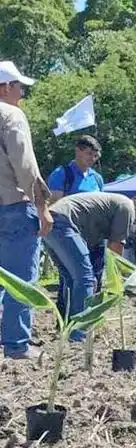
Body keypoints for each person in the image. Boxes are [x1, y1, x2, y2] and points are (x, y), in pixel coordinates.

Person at [0, 61, 52, 359]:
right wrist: (42, 206)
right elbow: (25, 167)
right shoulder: (12, 116)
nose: (22, 94)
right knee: (20, 281)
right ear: (6, 87)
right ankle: (17, 346)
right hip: (14, 207)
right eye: (19, 87)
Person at [44, 193, 136, 338]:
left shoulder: (111, 205)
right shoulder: (127, 207)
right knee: (86, 279)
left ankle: (67, 328)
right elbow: (115, 248)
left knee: (70, 278)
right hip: (64, 223)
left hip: (48, 222)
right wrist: (114, 278)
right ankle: (80, 333)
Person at [47, 135, 104, 203]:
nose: (92, 159)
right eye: (89, 154)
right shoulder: (61, 174)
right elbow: (54, 207)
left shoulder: (97, 178)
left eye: (96, 156)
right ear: (77, 151)